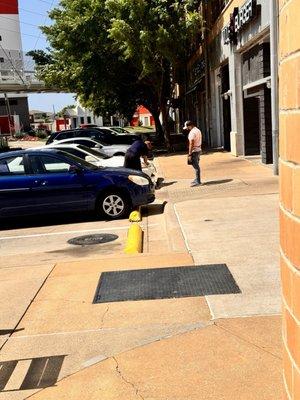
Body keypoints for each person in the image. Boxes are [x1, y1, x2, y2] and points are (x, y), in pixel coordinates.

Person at [184, 120, 202, 187]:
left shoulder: (192, 132)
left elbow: (191, 143)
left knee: (196, 166)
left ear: (190, 126)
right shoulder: (198, 130)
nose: (187, 129)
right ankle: (197, 179)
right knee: (196, 164)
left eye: (187, 127)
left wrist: (189, 153)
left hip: (194, 150)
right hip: (199, 149)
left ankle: (198, 181)